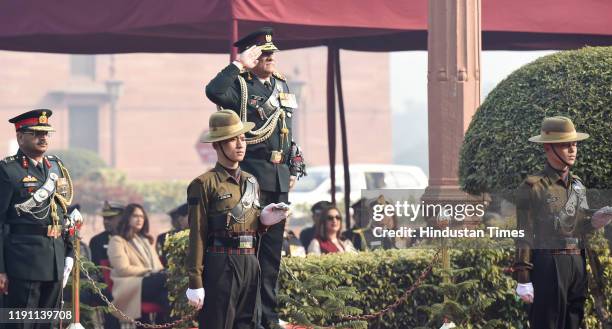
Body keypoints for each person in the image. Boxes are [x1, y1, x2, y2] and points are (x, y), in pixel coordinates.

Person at [205, 27, 306, 329]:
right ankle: (247, 320)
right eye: (264, 53)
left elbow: (287, 133)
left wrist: (295, 165)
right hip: (252, 179)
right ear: (252, 56)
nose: (271, 57)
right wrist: (238, 64)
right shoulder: (239, 85)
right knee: (249, 254)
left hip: (278, 179)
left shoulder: (282, 85)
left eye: (273, 52)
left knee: (272, 256)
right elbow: (213, 92)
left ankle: (269, 319)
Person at [185, 110, 289, 329]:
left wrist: (264, 222)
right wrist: (195, 281)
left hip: (250, 261)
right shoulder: (204, 184)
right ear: (217, 145)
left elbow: (252, 225)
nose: (240, 144)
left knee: (249, 324)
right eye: (232, 139)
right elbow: (198, 234)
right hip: (221, 263)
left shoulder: (252, 181)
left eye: (242, 138)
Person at [513, 116, 612, 329]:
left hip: (576, 262)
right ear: (548, 148)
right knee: (547, 323)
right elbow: (524, 234)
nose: (572, 150)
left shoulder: (577, 186)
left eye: (574, 144)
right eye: (565, 145)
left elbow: (578, 227)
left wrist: (594, 222)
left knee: (574, 323)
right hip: (548, 264)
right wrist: (523, 277)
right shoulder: (533, 187)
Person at [0, 109, 75, 329]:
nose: (43, 138)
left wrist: (68, 252)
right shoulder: (8, 171)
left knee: (47, 323)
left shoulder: (56, 168)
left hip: (53, 256)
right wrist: (1, 268)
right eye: (35, 133)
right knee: (21, 322)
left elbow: (61, 212)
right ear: (20, 137)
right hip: (22, 260)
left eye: (46, 133)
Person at [107, 204, 169, 322]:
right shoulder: (117, 241)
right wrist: (152, 272)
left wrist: (161, 272)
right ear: (127, 218)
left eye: (142, 216)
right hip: (131, 285)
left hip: (151, 283)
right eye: (135, 216)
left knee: (167, 297)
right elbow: (123, 269)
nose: (140, 219)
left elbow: (159, 267)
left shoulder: (145, 240)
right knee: (166, 278)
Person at [90, 201, 125, 266]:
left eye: (110, 218)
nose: (105, 221)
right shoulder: (97, 241)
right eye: (104, 218)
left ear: (122, 218)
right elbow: (95, 268)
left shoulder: (132, 239)